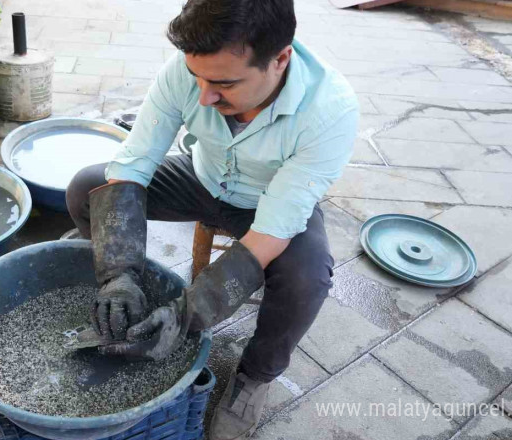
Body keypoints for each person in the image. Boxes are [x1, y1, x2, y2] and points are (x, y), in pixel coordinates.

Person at [65, 0, 359, 438]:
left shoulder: (330, 111)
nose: (204, 96)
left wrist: (187, 315)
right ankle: (119, 285)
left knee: (308, 277)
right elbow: (132, 164)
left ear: (280, 60)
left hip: (267, 203)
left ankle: (253, 379)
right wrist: (119, 273)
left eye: (223, 83)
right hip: (199, 176)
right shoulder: (186, 72)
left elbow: (274, 229)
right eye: (197, 78)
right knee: (87, 186)